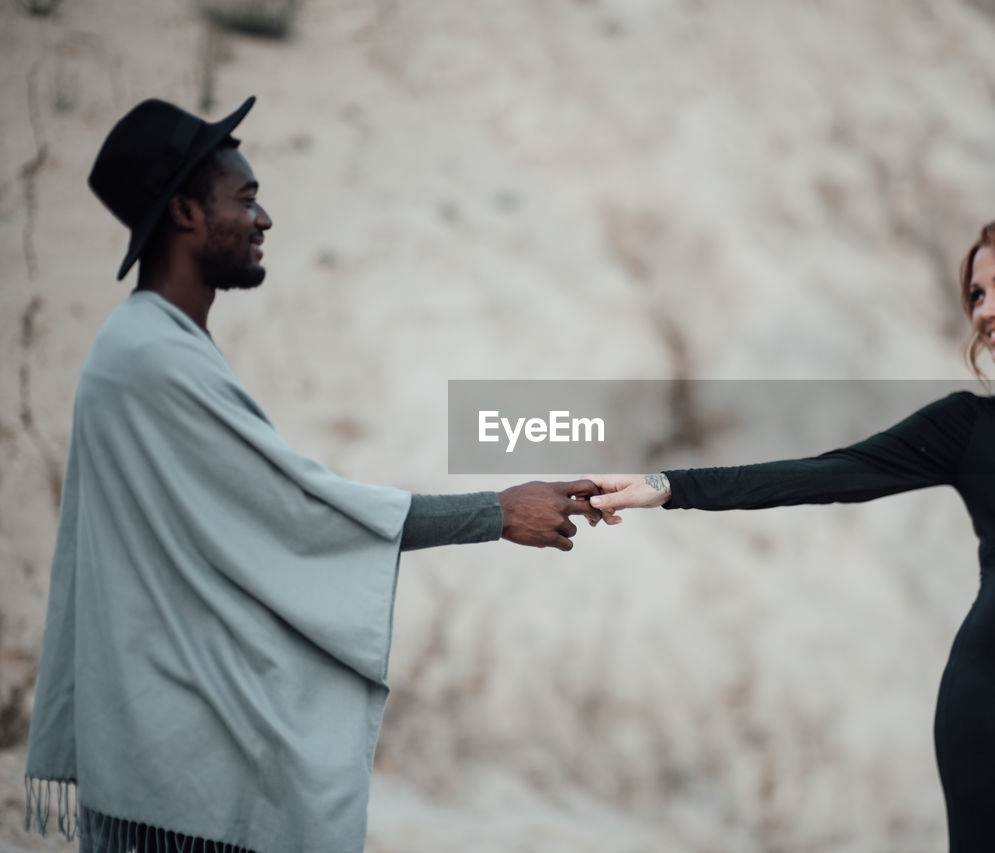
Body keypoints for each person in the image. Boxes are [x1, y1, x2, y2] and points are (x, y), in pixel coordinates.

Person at [23, 96, 600, 853]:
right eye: (247, 198)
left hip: (165, 742)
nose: (264, 221)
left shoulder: (150, 346)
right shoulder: (149, 358)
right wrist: (496, 511)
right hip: (175, 770)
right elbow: (302, 511)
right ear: (188, 214)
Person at [587, 215, 995, 853]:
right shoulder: (969, 427)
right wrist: (667, 486)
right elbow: (827, 474)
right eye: (976, 294)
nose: (986, 310)